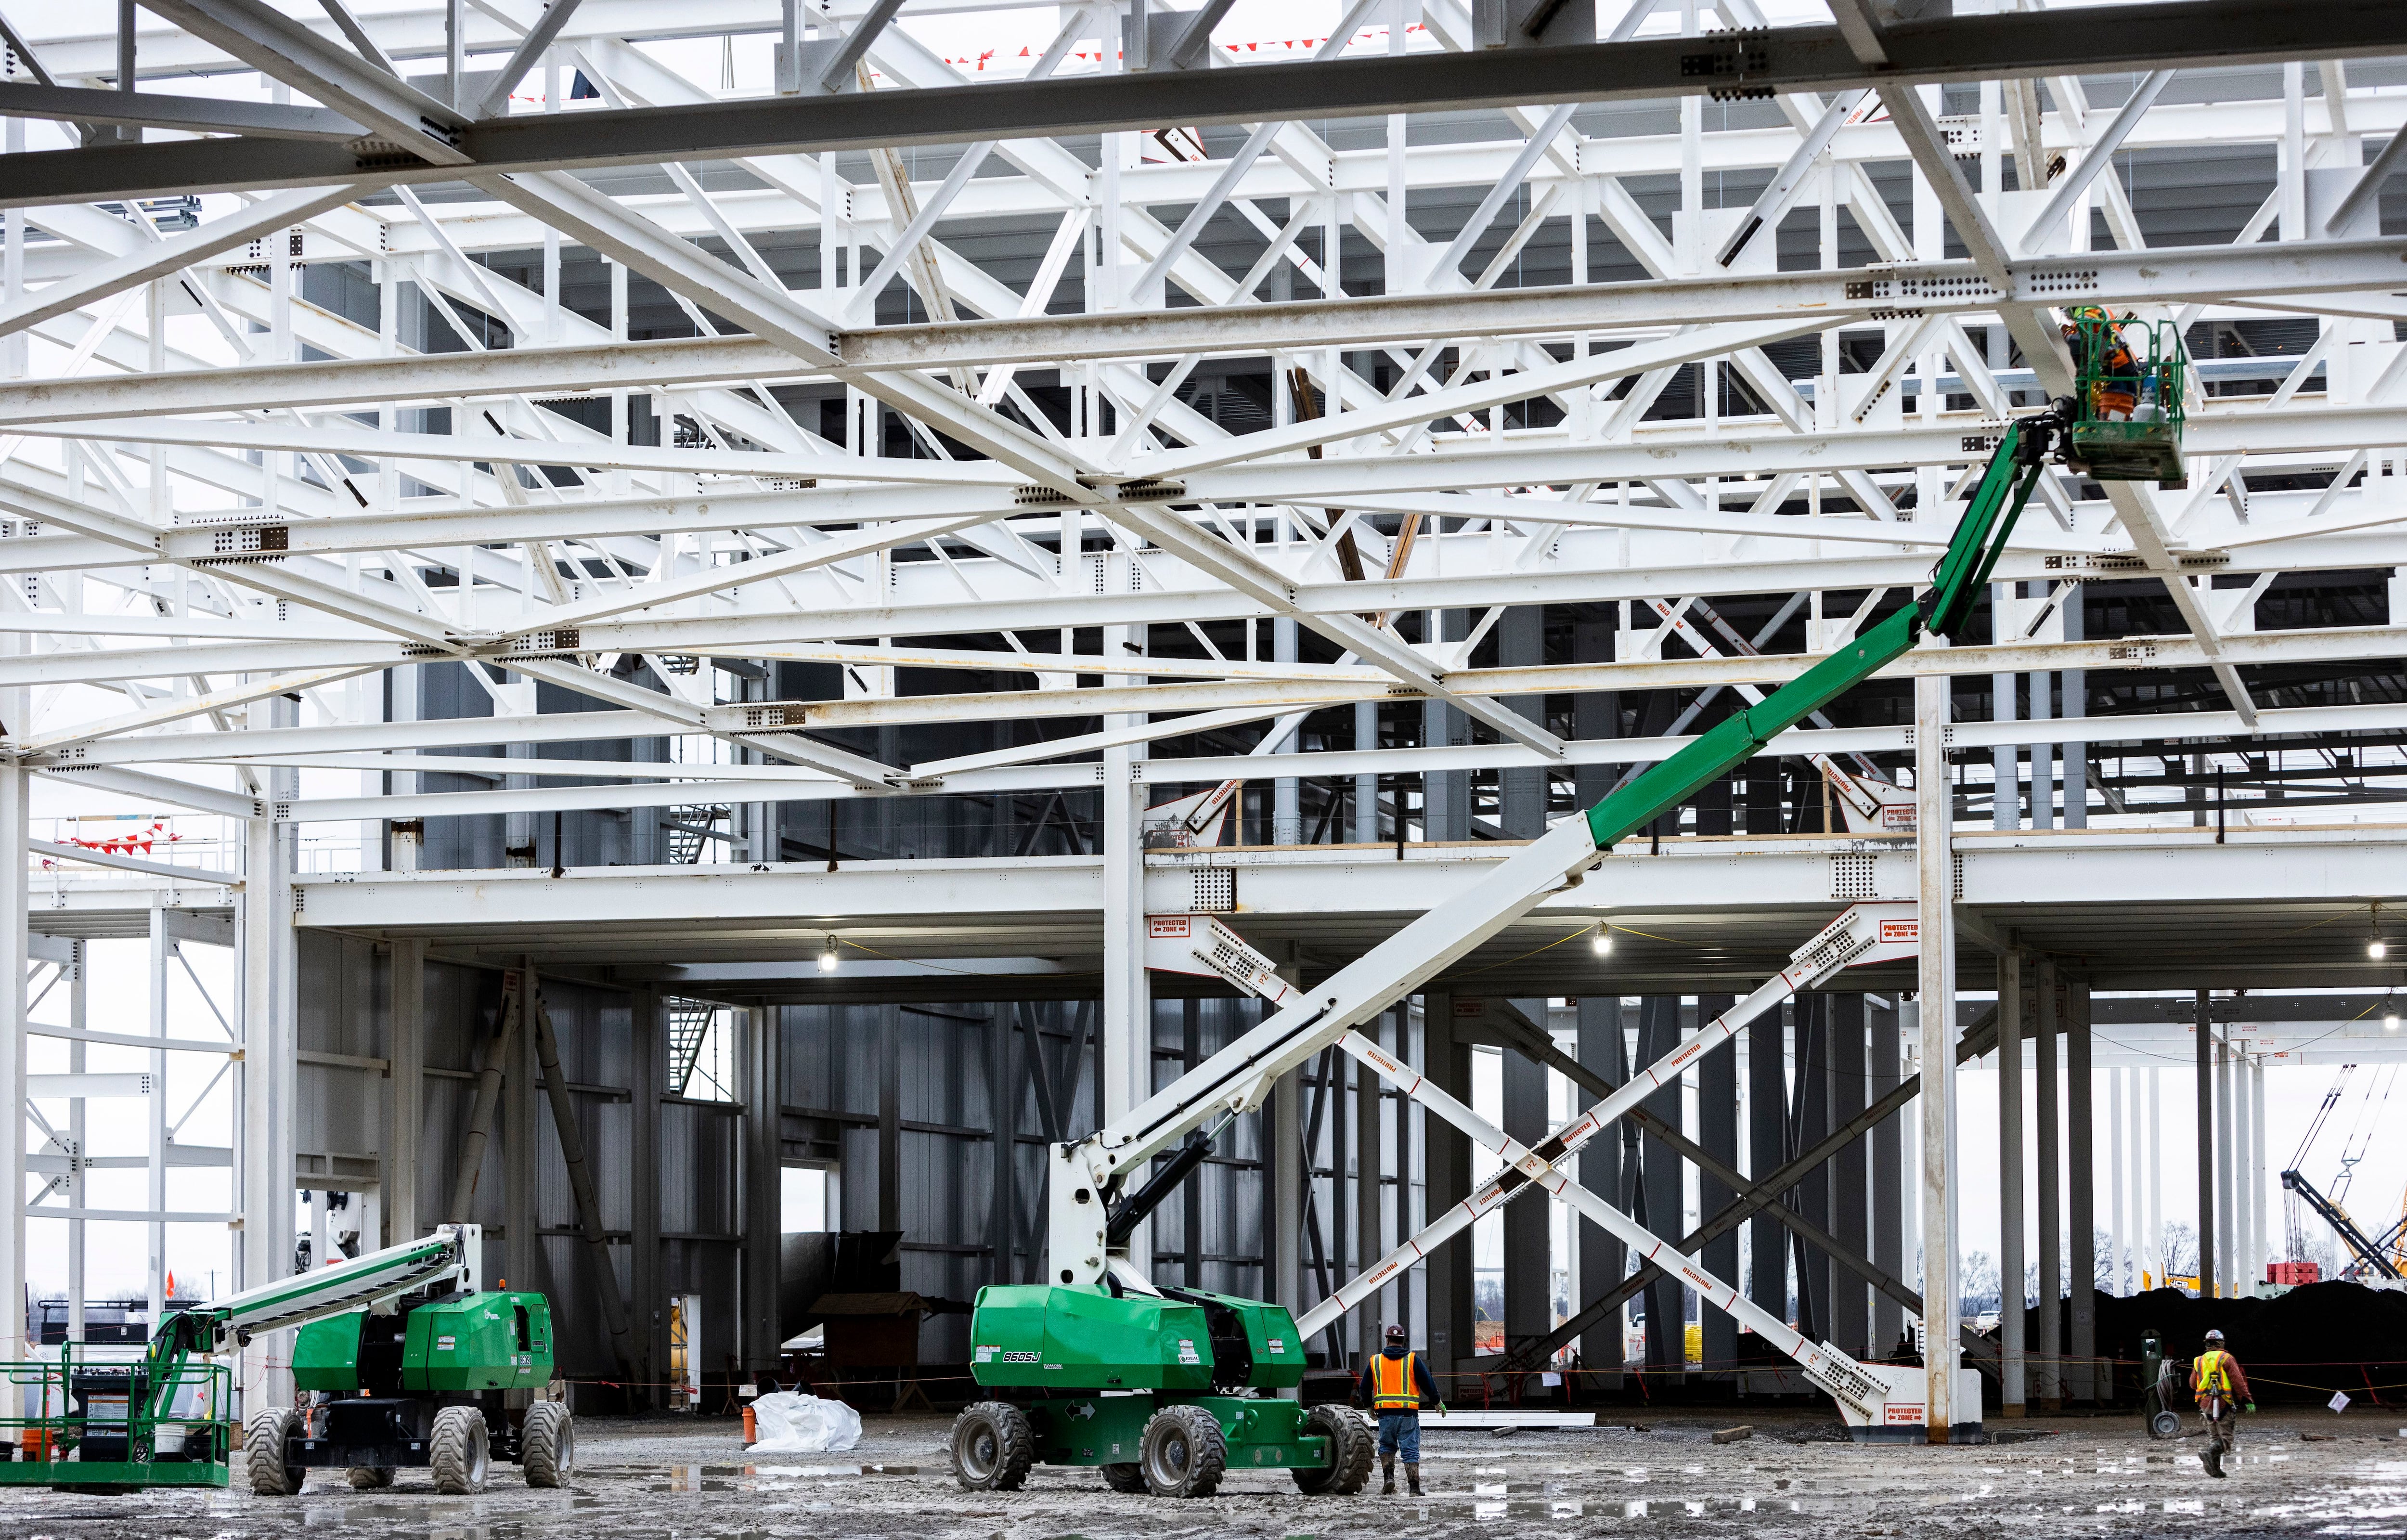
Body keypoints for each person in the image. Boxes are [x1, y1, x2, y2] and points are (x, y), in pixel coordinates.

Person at [1353, 1323, 1445, 1495]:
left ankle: (1389, 1479)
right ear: (1403, 1341)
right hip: (1407, 1415)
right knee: (1410, 1449)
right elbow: (1428, 1383)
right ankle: (1414, 1489)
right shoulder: (1412, 1360)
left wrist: (1368, 1406)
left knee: (1387, 1446)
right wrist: (1437, 1401)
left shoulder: (1376, 1361)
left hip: (1385, 1415)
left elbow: (1364, 1387)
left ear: (1387, 1340)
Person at [2189, 1328, 2254, 1477]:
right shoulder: (2226, 1358)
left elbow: (2193, 1384)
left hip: (2205, 1405)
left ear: (2207, 1344)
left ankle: (2216, 1471)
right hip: (2223, 1403)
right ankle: (2209, 1453)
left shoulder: (2198, 1360)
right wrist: (2248, 1400)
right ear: (2221, 1343)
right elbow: (2238, 1382)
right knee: (2226, 1439)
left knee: (2215, 1438)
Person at [2062, 305, 2142, 420]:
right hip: (2127, 360)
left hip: (2114, 365)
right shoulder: (2099, 309)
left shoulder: (2084, 316)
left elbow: (2081, 342)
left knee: (2116, 404)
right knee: (2131, 401)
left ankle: (2114, 430)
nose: (2066, 315)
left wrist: (2067, 335)